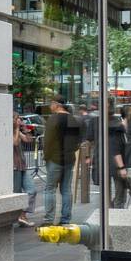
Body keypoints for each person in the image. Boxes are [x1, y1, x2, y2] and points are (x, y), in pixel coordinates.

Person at [42, 95, 81, 226]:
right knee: (66, 189)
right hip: (69, 159)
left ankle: (49, 219)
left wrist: (46, 157)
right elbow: (77, 141)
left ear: (56, 104)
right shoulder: (73, 119)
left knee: (50, 189)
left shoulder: (53, 119)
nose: (50, 106)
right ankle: (65, 220)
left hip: (55, 158)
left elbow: (47, 141)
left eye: (51, 103)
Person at [12, 113, 35, 227]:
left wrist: (26, 129)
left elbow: (28, 140)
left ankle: (22, 214)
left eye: (19, 118)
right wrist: (16, 128)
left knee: (31, 190)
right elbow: (15, 142)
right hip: (14, 166)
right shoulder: (8, 131)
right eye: (17, 118)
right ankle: (18, 217)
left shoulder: (18, 131)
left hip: (22, 165)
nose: (19, 120)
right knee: (17, 194)